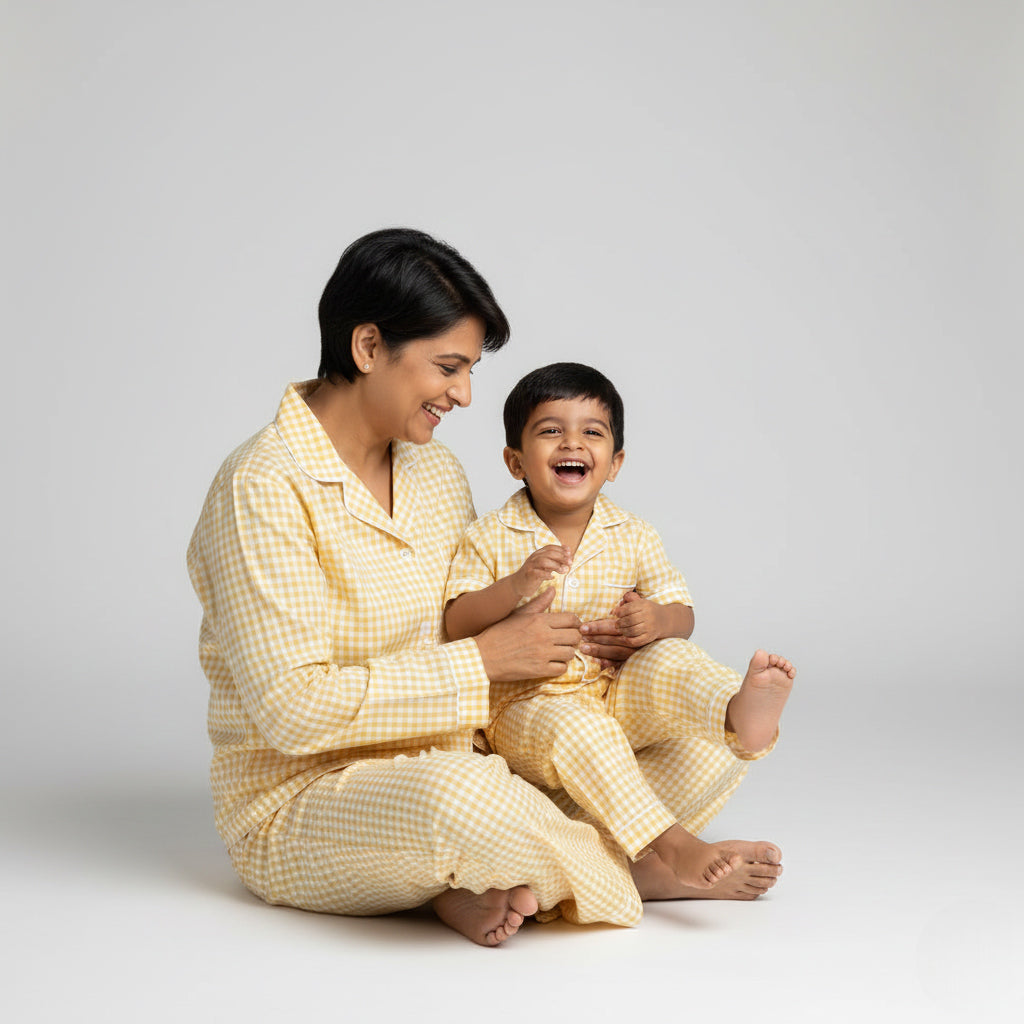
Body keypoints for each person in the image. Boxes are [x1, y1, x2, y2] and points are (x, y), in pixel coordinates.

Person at [187, 231, 784, 949]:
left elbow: (472, 609)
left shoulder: (433, 472)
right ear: (369, 347)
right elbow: (293, 709)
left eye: (469, 370)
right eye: (449, 367)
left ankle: (487, 876)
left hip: (471, 754)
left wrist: (593, 643)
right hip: (310, 798)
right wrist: (487, 660)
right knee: (465, 802)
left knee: (708, 737)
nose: (465, 395)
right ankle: (642, 865)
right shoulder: (260, 487)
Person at [443, 362, 796, 892]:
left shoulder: (632, 533)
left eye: (592, 432)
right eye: (550, 430)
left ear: (615, 462)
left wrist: (656, 622)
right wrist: (514, 587)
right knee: (582, 730)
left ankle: (736, 713)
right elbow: (455, 621)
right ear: (516, 461)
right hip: (527, 709)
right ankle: (668, 847)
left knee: (680, 680)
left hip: (615, 691)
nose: (572, 443)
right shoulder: (491, 535)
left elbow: (684, 613)